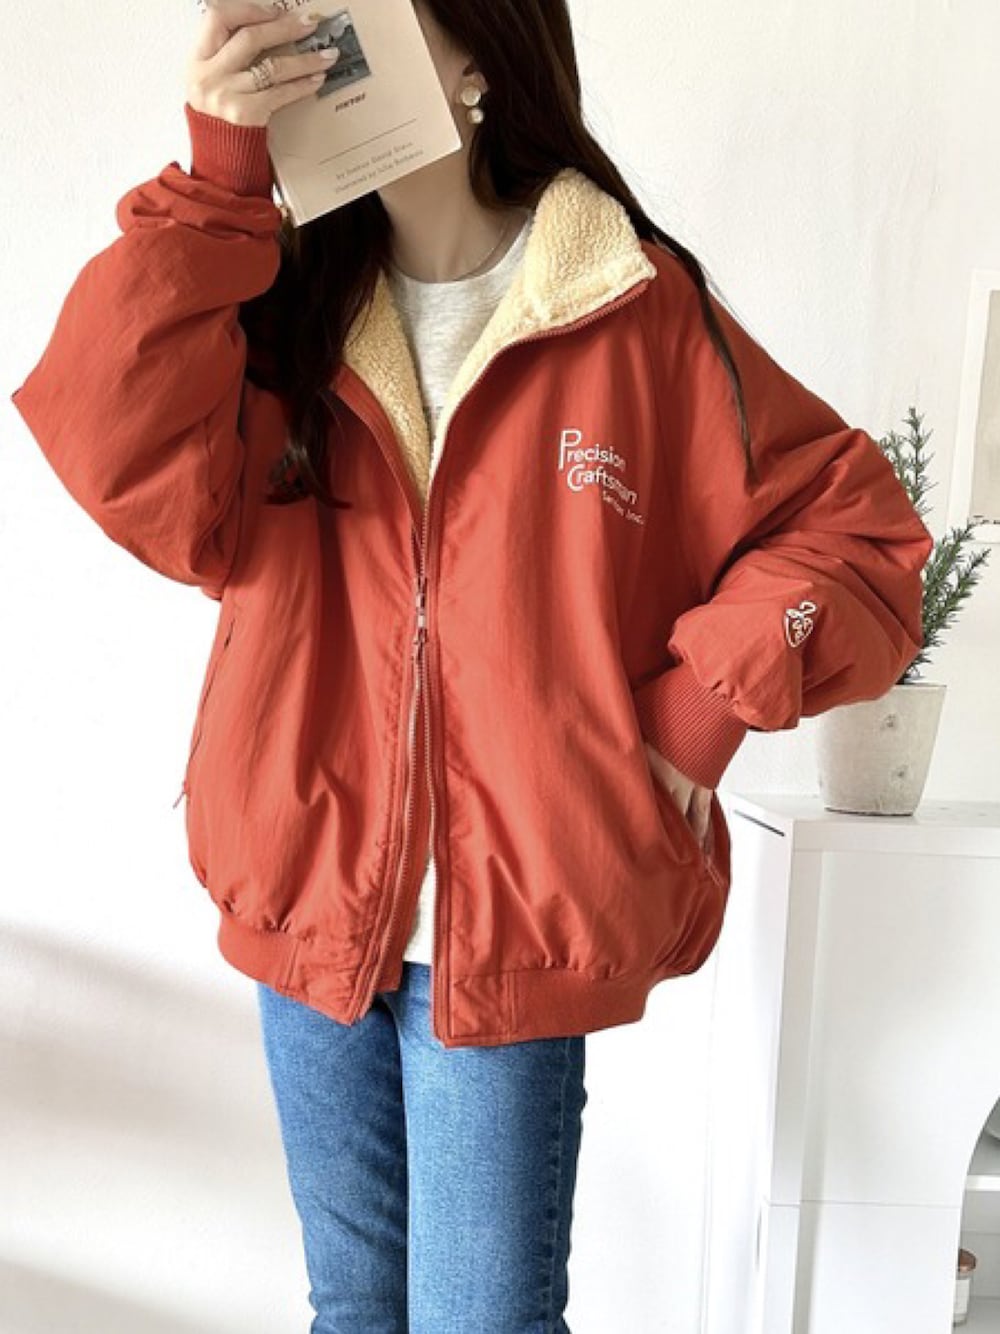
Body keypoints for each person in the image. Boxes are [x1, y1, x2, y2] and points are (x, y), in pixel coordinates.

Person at [9, 1, 934, 1330]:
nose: (315, 52)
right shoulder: (277, 312)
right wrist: (221, 184)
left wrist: (697, 711)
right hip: (310, 895)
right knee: (351, 1309)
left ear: (474, 64)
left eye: (354, 21)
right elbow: (109, 435)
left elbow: (857, 531)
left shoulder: (625, 304)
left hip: (514, 923)